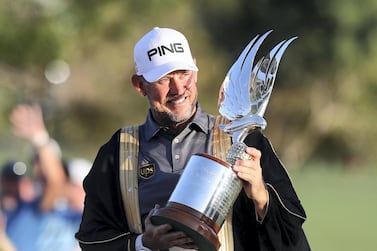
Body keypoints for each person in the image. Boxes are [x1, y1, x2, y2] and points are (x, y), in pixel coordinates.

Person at [75, 27, 311, 251]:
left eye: (184, 74)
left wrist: (260, 194)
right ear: (140, 85)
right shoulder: (117, 151)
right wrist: (143, 244)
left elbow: (291, 233)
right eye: (164, 79)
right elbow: (92, 239)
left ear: (196, 70)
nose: (178, 89)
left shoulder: (245, 139)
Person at [2, 104, 90, 251]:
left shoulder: (79, 219)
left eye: (72, 183)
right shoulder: (30, 208)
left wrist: (40, 139)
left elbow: (55, 183)